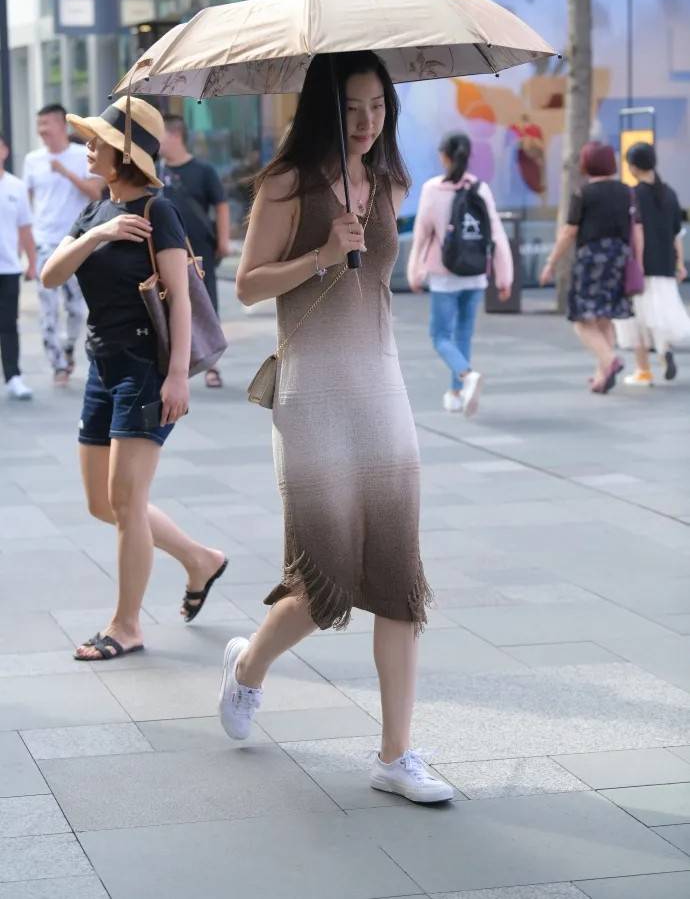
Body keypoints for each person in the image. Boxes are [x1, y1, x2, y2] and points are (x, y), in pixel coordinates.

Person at [219, 51, 453, 805]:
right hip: (313, 398)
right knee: (324, 586)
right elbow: (249, 283)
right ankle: (249, 664)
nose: (367, 122)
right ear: (326, 107)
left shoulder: (386, 180)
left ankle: (396, 753)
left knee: (395, 576)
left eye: (378, 107)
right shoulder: (287, 183)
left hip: (380, 391)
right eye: (353, 108)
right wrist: (321, 254)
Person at [40, 96, 227, 661]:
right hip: (103, 368)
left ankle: (126, 626)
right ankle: (200, 559)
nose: (88, 147)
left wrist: (178, 378)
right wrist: (96, 236)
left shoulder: (158, 211)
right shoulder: (97, 210)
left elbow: (181, 301)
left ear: (124, 153)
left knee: (126, 502)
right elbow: (50, 276)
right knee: (103, 503)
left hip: (146, 371)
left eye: (97, 141)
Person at [406, 133, 513, 416]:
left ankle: (465, 377)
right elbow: (497, 234)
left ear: (444, 156)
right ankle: (456, 394)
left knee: (440, 335)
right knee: (463, 334)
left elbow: (422, 236)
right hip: (476, 274)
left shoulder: (433, 189)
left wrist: (415, 272)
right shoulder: (481, 188)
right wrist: (505, 277)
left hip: (444, 275)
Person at [540, 141, 637, 394]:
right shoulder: (626, 191)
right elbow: (636, 230)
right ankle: (602, 375)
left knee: (582, 321)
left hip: (592, 257)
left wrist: (551, 262)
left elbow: (569, 231)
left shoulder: (583, 193)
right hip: (619, 256)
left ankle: (610, 361)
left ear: (586, 163)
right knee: (604, 317)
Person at [22, 104, 102, 385]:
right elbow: (27, 200)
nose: (42, 130)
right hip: (44, 242)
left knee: (77, 308)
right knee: (47, 309)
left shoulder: (81, 156)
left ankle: (68, 348)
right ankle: (57, 365)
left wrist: (65, 173)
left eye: (46, 124)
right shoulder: (32, 160)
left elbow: (96, 192)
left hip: (75, 242)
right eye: (39, 124)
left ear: (61, 125)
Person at [159, 114, 231, 388]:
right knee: (169, 304)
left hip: (199, 248)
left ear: (175, 135)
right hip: (167, 249)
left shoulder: (203, 170)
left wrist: (223, 240)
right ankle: (175, 364)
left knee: (206, 304)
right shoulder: (155, 171)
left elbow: (221, 204)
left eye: (160, 135)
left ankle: (212, 365)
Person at [615, 142, 690, 386]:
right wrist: (680, 264)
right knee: (659, 313)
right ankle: (663, 348)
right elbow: (676, 233)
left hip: (642, 265)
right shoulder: (669, 193)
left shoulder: (634, 194)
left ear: (634, 166)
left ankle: (643, 370)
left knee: (637, 318)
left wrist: (636, 262)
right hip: (666, 264)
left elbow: (637, 233)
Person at [0, 134, 36, 400]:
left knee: (8, 325)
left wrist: (32, 263)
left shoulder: (16, 186)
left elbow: (25, 228)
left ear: (5, 151)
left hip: (9, 268)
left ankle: (13, 376)